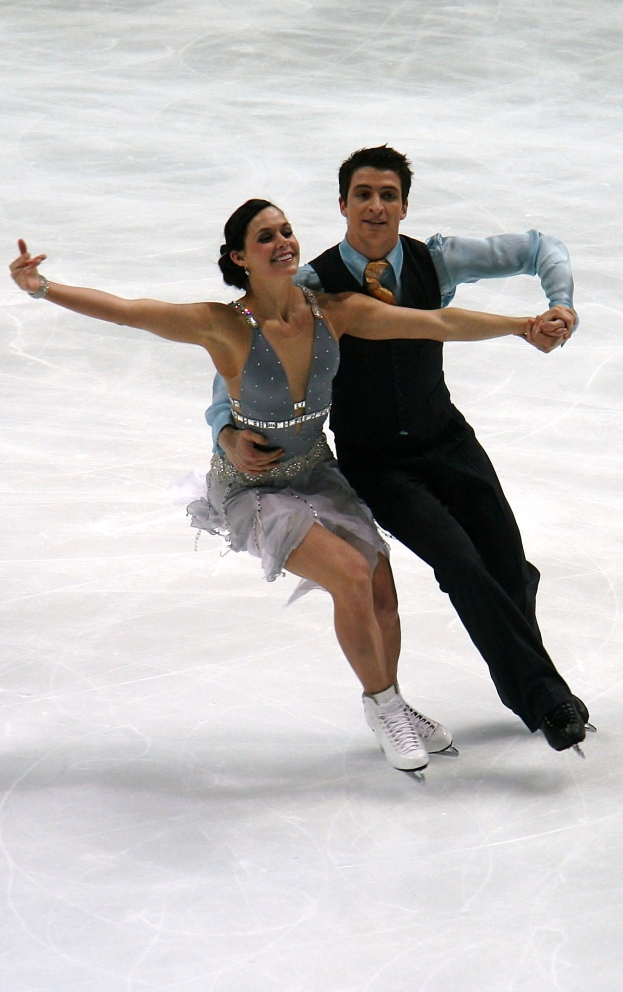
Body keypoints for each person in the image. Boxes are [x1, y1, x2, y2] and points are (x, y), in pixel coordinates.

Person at [9, 209, 568, 773]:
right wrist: (43, 288)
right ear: (239, 258)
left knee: (380, 591)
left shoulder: (335, 313)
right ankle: (383, 706)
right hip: (254, 488)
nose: (282, 242)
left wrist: (521, 325)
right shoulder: (221, 325)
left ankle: (391, 699)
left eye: (285, 232)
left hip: (316, 472)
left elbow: (436, 324)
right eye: (265, 238)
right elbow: (127, 311)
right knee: (348, 574)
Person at [206, 148, 592, 756]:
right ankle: (546, 699)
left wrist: (560, 302)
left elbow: (542, 246)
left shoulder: (436, 260)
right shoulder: (313, 288)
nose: (376, 206)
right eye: (363, 194)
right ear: (343, 205)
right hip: (377, 461)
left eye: (389, 194)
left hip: (448, 438)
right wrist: (226, 430)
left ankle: (531, 684)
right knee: (461, 564)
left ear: (405, 205)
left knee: (509, 570)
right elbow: (244, 370)